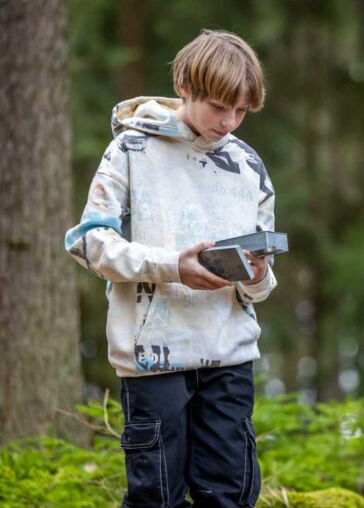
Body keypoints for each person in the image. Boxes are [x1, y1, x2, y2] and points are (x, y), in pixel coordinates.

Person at [65, 30, 277, 507]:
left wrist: (258, 274)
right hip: (151, 360)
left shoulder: (249, 166)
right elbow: (90, 243)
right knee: (156, 495)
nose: (229, 122)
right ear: (186, 87)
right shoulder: (131, 151)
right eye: (219, 107)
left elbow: (259, 290)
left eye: (241, 110)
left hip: (229, 358)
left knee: (231, 494)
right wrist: (172, 267)